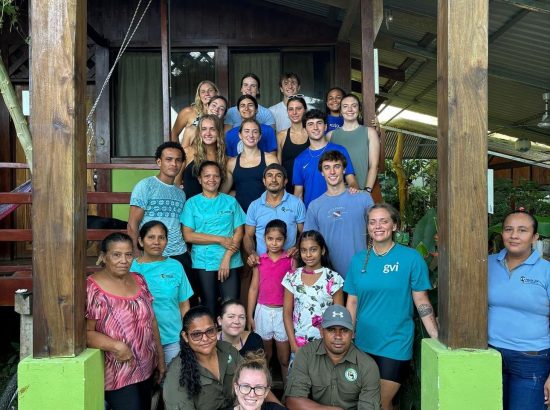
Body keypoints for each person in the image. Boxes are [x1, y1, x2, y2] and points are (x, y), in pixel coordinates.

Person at [345, 203, 438, 410]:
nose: (378, 226)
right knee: (366, 400)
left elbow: (421, 300)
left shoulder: (411, 258)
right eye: (372, 222)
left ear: (394, 225)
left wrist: (436, 336)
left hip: (395, 342)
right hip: (363, 342)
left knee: (380, 400)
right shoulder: (358, 260)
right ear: (367, 227)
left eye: (384, 221)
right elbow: (352, 301)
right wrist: (348, 337)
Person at [86, 233, 165, 410]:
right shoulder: (93, 288)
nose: (124, 260)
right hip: (118, 372)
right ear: (103, 257)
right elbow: (86, 333)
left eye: (129, 254)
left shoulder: (139, 279)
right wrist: (116, 346)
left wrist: (160, 359)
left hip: (146, 366)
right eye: (116, 254)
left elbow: (151, 321)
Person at [488, 210, 550, 410]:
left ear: (535, 237)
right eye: (509, 229)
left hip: (531, 359)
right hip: (489, 353)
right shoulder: (486, 264)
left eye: (522, 230)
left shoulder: (546, 271)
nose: (514, 235)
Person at [163, 306, 280, 409]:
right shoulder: (176, 374)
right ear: (185, 336)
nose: (205, 339)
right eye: (196, 334)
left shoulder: (227, 350)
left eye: (209, 331)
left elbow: (256, 382)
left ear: (215, 328)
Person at [285, 305, 381, 410]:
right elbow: (293, 401)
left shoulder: (367, 365)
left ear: (352, 333)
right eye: (331, 329)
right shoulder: (306, 354)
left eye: (344, 330)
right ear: (321, 332)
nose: (338, 336)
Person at [182, 161, 246, 316]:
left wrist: (227, 257)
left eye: (216, 176)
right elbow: (188, 235)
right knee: (208, 305)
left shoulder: (230, 201)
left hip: (230, 260)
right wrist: (220, 239)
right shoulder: (192, 203)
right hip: (204, 262)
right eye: (207, 176)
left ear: (220, 179)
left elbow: (239, 231)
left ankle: (230, 340)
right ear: (199, 179)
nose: (212, 179)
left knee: (231, 306)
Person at [127, 141, 192, 285]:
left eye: (178, 160)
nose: (174, 164)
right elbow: (132, 225)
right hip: (152, 253)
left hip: (178, 253)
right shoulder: (145, 186)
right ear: (159, 162)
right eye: (169, 159)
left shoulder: (180, 193)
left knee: (183, 299)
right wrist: (137, 256)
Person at [131, 220, 194, 365]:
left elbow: (184, 304)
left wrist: (185, 332)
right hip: (140, 339)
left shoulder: (176, 266)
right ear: (141, 241)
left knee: (171, 383)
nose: (156, 242)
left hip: (172, 338)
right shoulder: (131, 268)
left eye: (161, 237)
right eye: (151, 237)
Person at [304, 150, 373, 278]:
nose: (332, 172)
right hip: (329, 277)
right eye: (327, 168)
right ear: (322, 172)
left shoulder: (363, 198)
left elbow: (376, 234)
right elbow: (310, 243)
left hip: (362, 273)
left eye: (337, 166)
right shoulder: (314, 206)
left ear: (344, 170)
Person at [283, 230, 344, 354]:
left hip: (326, 345)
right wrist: (293, 344)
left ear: (322, 250)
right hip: (299, 345)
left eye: (313, 249)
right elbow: (287, 313)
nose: (308, 255)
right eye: (304, 250)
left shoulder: (333, 278)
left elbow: (338, 317)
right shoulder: (292, 277)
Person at [247, 219, 293, 383]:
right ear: (264, 238)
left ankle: (288, 393)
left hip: (283, 313)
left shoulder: (290, 261)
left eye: (278, 239)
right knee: (264, 357)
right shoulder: (260, 261)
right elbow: (253, 289)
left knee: (284, 358)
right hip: (263, 311)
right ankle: (265, 391)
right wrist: (250, 315)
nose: (274, 243)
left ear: (285, 240)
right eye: (270, 239)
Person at [293, 109, 358, 208]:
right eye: (310, 124)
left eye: (319, 123)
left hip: (339, 209)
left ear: (325, 127)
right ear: (305, 130)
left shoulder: (340, 150)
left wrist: (353, 189)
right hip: (312, 213)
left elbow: (352, 181)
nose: (315, 127)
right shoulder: (299, 159)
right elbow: (298, 194)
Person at [243, 164, 306, 267]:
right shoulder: (254, 206)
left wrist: (297, 247)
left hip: (290, 263)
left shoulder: (296, 203)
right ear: (264, 181)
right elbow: (248, 236)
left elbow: (304, 232)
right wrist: (252, 253)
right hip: (262, 264)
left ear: (285, 181)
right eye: (269, 175)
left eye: (278, 176)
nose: (273, 179)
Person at [225, 119, 279, 213]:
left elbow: (279, 189)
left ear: (260, 136)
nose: (251, 135)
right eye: (246, 131)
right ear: (240, 135)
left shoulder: (270, 159)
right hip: (240, 215)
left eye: (255, 132)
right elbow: (223, 192)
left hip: (265, 213)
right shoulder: (232, 163)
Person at [329, 93, 380, 193]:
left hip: (362, 191)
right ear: (340, 111)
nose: (350, 110)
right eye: (345, 106)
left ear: (359, 109)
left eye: (354, 106)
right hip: (337, 192)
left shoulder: (370, 132)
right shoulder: (330, 135)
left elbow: (374, 165)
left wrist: (367, 190)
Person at [179, 114, 228, 199]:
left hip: (213, 208)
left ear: (219, 132)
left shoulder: (224, 158)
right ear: (199, 132)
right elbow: (176, 182)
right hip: (189, 207)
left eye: (212, 129)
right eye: (204, 129)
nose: (208, 133)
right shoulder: (188, 152)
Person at [276, 96, 309, 193]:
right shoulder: (281, 135)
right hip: (287, 186)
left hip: (309, 183)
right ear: (287, 112)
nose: (294, 113)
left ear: (305, 110)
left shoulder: (312, 133)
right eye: (291, 109)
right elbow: (278, 165)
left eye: (298, 109)